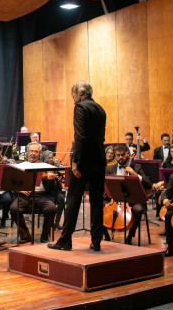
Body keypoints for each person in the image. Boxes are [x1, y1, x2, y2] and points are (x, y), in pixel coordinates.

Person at [49, 80, 106, 252]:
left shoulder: (80, 108)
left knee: (73, 200)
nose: (73, 98)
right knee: (97, 200)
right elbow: (101, 137)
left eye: (73, 95)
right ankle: (96, 241)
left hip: (84, 161)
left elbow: (80, 136)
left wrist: (75, 162)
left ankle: (65, 240)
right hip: (100, 159)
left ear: (80, 94)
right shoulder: (100, 109)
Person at [104, 144, 153, 245]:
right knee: (97, 207)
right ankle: (106, 236)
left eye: (122, 155)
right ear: (115, 156)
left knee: (138, 210)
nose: (120, 157)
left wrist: (135, 174)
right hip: (115, 200)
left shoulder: (136, 167)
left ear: (127, 154)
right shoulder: (110, 169)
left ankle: (130, 235)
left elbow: (148, 184)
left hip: (134, 200)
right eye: (118, 155)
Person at [9, 142, 58, 244]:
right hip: (25, 196)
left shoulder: (44, 166)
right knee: (14, 209)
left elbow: (52, 189)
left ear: (39, 154)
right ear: (27, 152)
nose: (33, 154)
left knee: (51, 208)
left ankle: (44, 237)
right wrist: (19, 189)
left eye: (36, 151)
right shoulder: (21, 166)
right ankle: (25, 235)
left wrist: (51, 180)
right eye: (31, 151)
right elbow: (13, 183)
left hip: (42, 195)